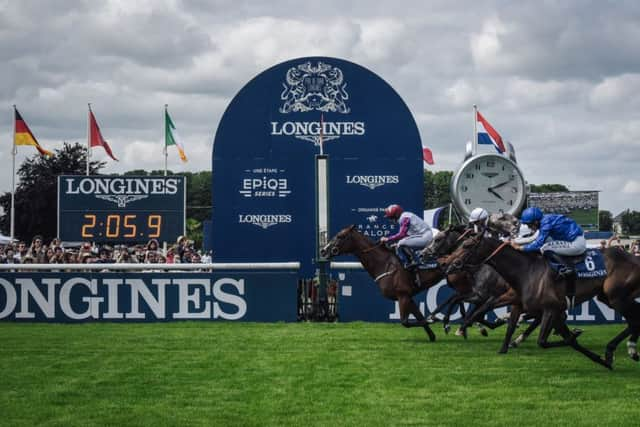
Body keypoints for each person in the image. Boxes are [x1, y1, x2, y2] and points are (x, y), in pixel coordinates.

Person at [510, 207, 585, 278]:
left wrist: (520, 248)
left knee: (545, 247)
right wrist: (515, 241)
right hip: (571, 239)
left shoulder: (546, 223)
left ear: (535, 222)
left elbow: (537, 244)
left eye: (529, 224)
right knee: (547, 241)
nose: (529, 227)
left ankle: (566, 268)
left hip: (576, 244)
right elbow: (534, 238)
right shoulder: (544, 220)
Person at [380, 204, 433, 270]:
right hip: (422, 236)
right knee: (400, 244)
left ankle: (414, 263)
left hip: (425, 237)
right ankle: (415, 261)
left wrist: (388, 239)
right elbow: (406, 235)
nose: (390, 220)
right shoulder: (404, 217)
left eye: (391, 217)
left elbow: (402, 234)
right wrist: (395, 243)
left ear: (396, 215)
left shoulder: (404, 217)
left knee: (401, 243)